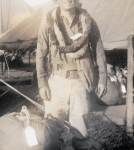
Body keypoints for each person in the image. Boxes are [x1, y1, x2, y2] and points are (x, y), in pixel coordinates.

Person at [36, 0, 107, 149]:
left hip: (80, 81)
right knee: (52, 128)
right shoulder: (48, 22)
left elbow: (98, 50)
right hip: (57, 81)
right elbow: (41, 55)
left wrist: (103, 79)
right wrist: (42, 84)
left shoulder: (88, 21)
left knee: (81, 129)